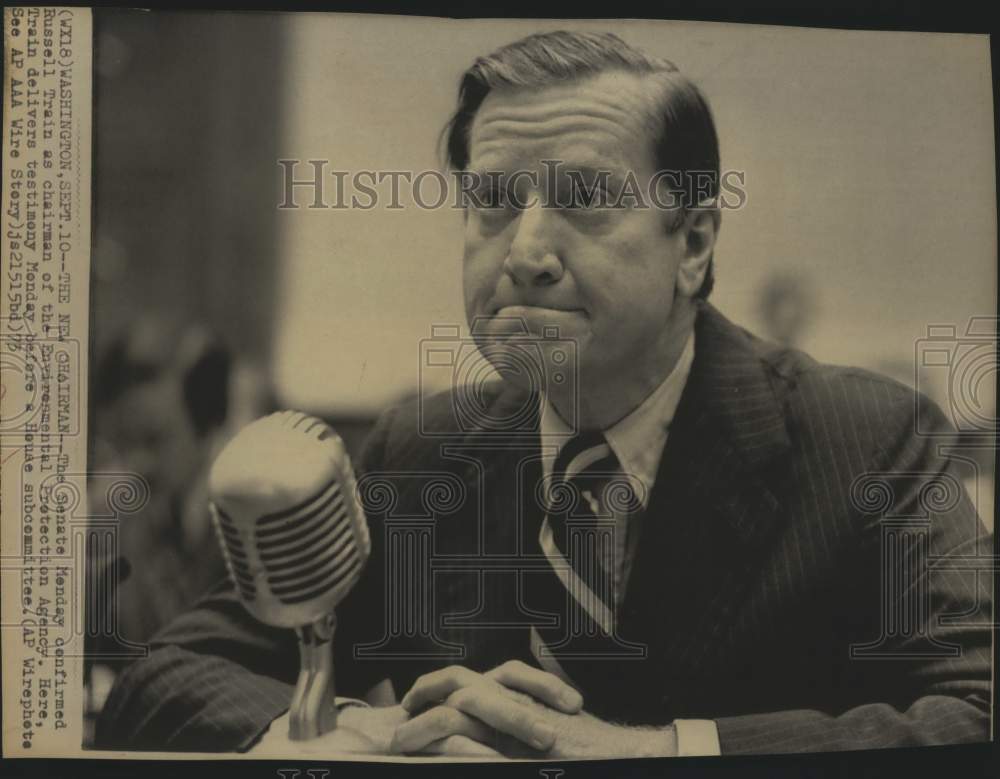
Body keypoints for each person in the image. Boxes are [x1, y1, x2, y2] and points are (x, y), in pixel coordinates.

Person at [95, 31, 992, 757]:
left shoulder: (867, 437)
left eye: (587, 199)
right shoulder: (420, 451)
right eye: (491, 200)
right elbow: (172, 671)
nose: (523, 250)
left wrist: (653, 752)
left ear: (693, 244)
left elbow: (980, 708)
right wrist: (349, 735)